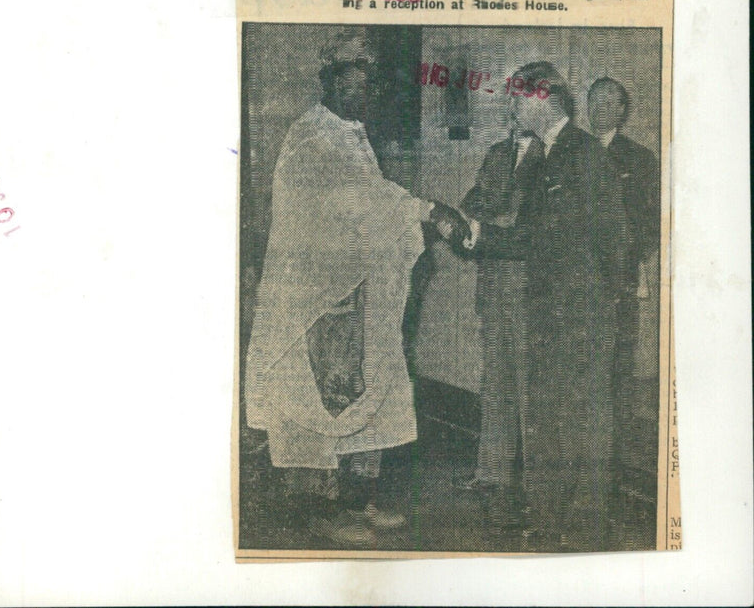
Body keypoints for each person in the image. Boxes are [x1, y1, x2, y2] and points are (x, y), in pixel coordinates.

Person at [244, 31, 466, 548]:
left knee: (367, 393)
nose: (361, 94)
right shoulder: (312, 136)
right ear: (330, 81)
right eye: (351, 83)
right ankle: (319, 510)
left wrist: (415, 211)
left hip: (354, 292)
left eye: (369, 86)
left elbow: (372, 200)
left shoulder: (350, 134)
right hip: (317, 299)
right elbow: (356, 202)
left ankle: (356, 499)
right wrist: (427, 210)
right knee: (320, 398)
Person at [509, 62, 629, 550]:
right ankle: (552, 519)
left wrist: (598, 304)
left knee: (575, 418)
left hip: (576, 312)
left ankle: (577, 529)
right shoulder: (550, 153)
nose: (511, 107)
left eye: (517, 97)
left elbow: (606, 236)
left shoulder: (579, 153)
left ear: (543, 98)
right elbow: (540, 235)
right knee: (553, 415)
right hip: (555, 308)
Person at [455, 106, 546, 528]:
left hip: (532, 292)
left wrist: (489, 220)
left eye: (524, 102)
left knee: (532, 389)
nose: (515, 112)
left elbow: (525, 222)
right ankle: (491, 476)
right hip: (493, 286)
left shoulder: (553, 155)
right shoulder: (495, 153)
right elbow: (470, 205)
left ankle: (536, 489)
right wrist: (488, 218)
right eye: (511, 102)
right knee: (495, 384)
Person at [587, 77, 661, 485]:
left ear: (623, 110)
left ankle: (610, 463)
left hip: (619, 282)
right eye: (594, 101)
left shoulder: (639, 159)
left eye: (610, 102)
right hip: (576, 283)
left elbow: (649, 224)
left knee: (616, 368)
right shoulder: (571, 152)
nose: (601, 109)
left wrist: (623, 261)